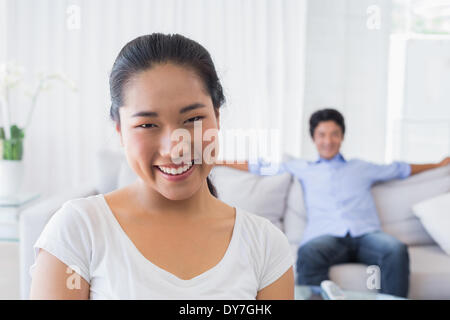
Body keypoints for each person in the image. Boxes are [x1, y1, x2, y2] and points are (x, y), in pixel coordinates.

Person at [29, 33, 295, 299]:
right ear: (120, 130)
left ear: (217, 116)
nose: (174, 149)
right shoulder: (78, 229)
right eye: (147, 125)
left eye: (193, 119)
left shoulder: (266, 245)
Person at [219, 108, 450, 298]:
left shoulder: (362, 167)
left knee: (395, 249)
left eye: (334, 134)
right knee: (308, 252)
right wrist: (216, 161)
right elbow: (257, 165)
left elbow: (402, 168)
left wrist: (439, 165)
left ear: (342, 137)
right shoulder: (302, 167)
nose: (328, 141)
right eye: (322, 135)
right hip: (325, 238)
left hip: (367, 236)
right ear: (314, 138)